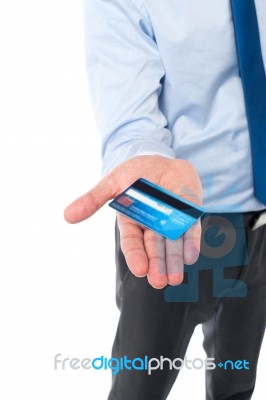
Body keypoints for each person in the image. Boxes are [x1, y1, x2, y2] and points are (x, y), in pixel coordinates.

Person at [64, 0, 266, 398]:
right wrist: (145, 165)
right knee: (139, 388)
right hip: (170, 219)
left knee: (236, 384)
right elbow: (131, 123)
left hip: (261, 221)